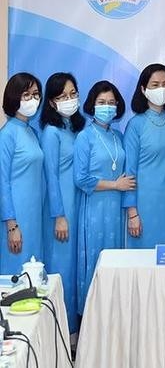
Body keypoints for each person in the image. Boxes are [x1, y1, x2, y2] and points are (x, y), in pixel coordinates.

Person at [74, 81, 135, 313]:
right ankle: (91, 320)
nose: (107, 107)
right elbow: (81, 179)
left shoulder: (118, 136)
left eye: (111, 103)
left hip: (115, 211)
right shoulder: (85, 137)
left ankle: (113, 317)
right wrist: (115, 184)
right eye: (102, 103)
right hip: (94, 209)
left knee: (115, 262)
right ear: (92, 105)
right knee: (96, 262)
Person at [39, 72, 86, 334]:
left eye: (73, 94)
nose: (69, 100)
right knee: (62, 270)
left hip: (79, 206)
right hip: (62, 210)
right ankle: (60, 332)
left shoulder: (76, 128)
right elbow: (51, 175)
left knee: (76, 268)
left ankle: (77, 329)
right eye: (62, 96)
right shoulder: (51, 133)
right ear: (52, 102)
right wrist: (59, 215)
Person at [123, 64, 165, 248]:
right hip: (144, 204)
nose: (161, 89)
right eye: (155, 85)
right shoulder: (135, 124)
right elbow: (129, 171)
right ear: (143, 89)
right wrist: (132, 213)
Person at [0, 73, 44, 274]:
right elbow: (2, 182)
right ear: (14, 97)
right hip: (15, 219)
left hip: (34, 215)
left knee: (33, 276)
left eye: (36, 94)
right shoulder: (7, 134)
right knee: (16, 278)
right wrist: (11, 226)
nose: (32, 99)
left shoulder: (32, 132)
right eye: (26, 94)